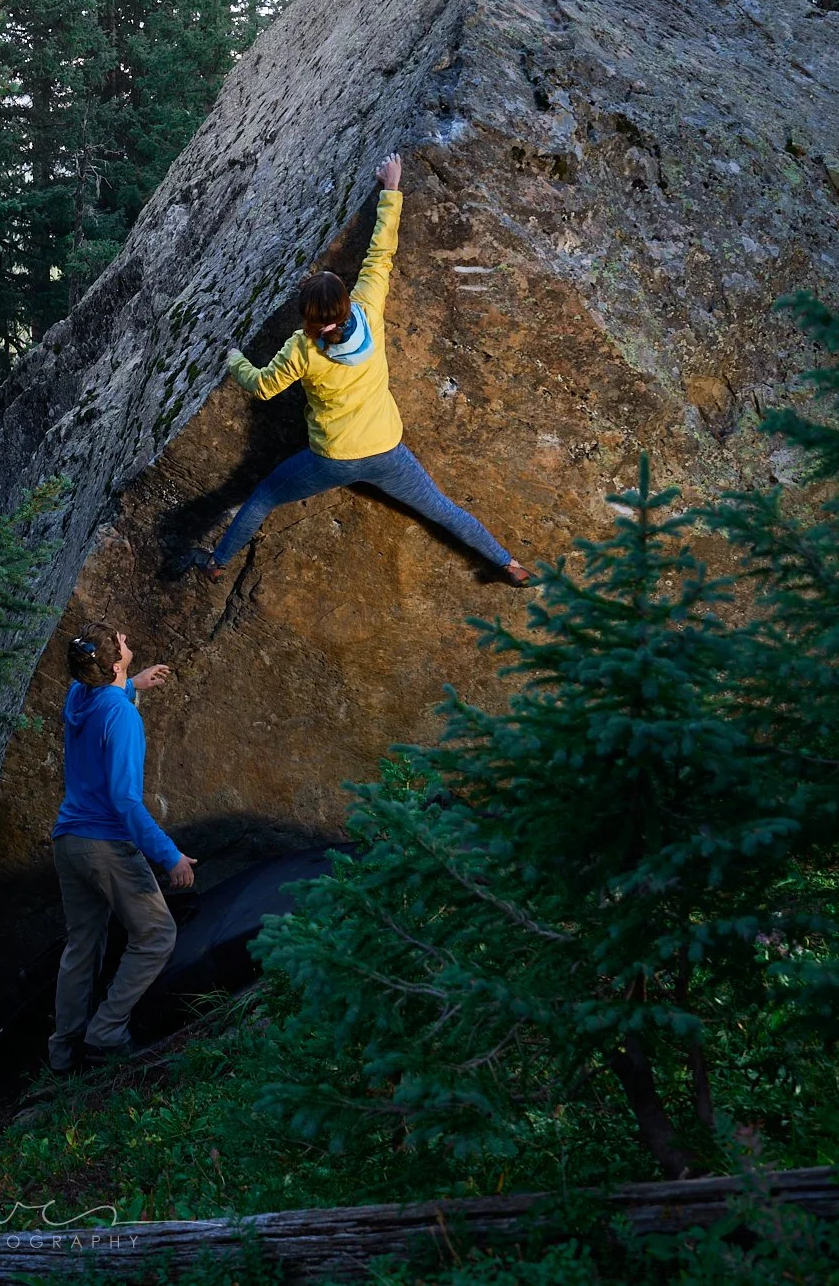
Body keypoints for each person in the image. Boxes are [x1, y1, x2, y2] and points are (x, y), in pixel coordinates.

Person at [183, 152, 530, 585]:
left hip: (334, 459)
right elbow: (380, 253)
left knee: (264, 496)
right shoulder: (368, 309)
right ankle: (507, 563)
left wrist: (232, 357)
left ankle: (216, 562)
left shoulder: (303, 349)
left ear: (308, 317)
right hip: (388, 450)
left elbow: (262, 387)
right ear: (345, 303)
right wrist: (392, 189)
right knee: (442, 509)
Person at [49, 625, 194, 1074]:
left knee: (83, 942)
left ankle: (62, 1050)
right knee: (156, 935)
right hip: (106, 845)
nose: (129, 645)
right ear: (114, 662)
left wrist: (131, 684)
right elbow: (126, 800)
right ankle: (107, 1032)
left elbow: (101, 697)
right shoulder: (124, 718)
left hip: (68, 840)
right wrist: (169, 856)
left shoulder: (78, 695)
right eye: (124, 645)